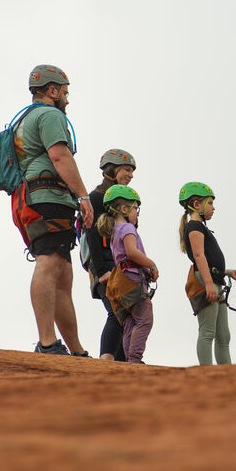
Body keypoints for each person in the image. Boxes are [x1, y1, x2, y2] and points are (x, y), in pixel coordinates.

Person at [11, 64, 94, 356]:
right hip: (47, 195)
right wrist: (83, 196)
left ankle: (75, 350)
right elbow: (59, 156)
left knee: (63, 275)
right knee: (49, 262)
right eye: (65, 92)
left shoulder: (25, 119)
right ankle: (47, 343)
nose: (67, 99)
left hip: (30, 197)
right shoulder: (50, 115)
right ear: (52, 90)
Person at [179, 182, 236, 365]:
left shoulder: (201, 227)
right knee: (208, 332)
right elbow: (199, 256)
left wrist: (228, 272)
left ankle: (226, 374)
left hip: (215, 280)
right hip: (206, 281)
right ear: (196, 204)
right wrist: (209, 284)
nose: (213, 207)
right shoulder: (194, 226)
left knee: (223, 335)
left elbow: (208, 260)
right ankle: (206, 374)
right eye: (209, 203)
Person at [84, 149, 137, 361]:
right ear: (111, 170)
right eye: (126, 170)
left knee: (128, 314)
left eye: (132, 171)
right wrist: (101, 270)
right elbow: (92, 235)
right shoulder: (97, 198)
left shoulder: (123, 203)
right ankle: (105, 362)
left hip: (119, 264)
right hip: (104, 263)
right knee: (117, 312)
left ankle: (122, 363)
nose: (130, 175)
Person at [97, 185, 158, 364]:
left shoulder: (114, 231)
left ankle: (129, 361)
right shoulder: (128, 228)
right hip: (133, 279)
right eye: (135, 209)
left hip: (121, 281)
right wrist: (152, 265)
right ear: (124, 209)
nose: (137, 214)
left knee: (130, 322)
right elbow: (132, 253)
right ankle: (135, 359)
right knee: (145, 319)